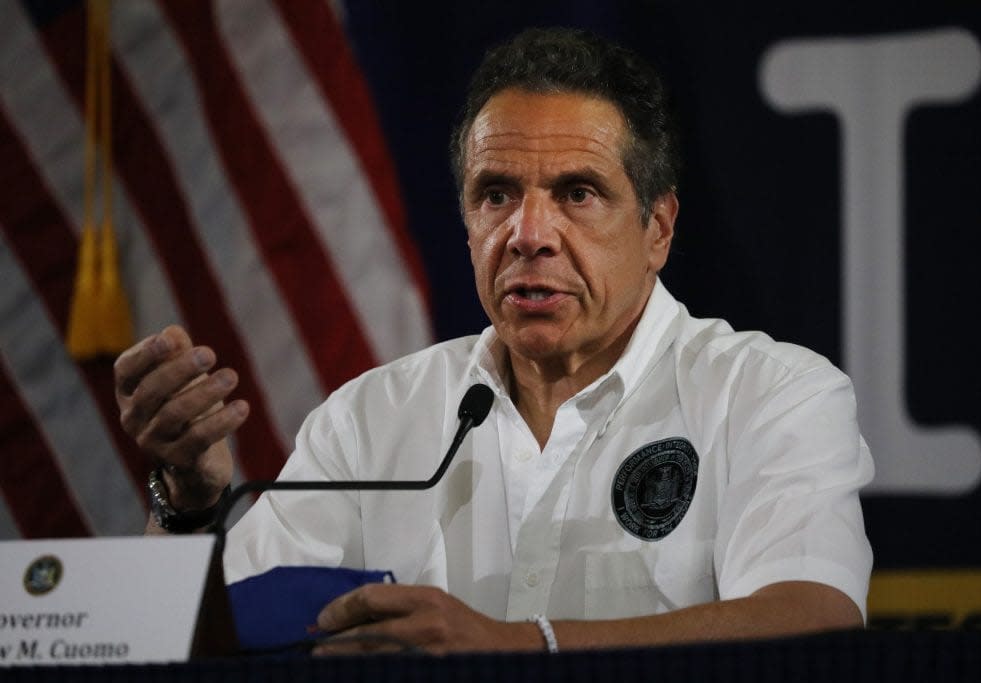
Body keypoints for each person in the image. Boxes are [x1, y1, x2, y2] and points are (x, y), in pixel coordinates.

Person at [114, 27, 872, 654]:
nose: (529, 235)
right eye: (497, 195)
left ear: (658, 227)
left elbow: (813, 617)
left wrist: (521, 644)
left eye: (577, 193)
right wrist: (189, 506)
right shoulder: (372, 417)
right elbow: (204, 642)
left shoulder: (769, 393)